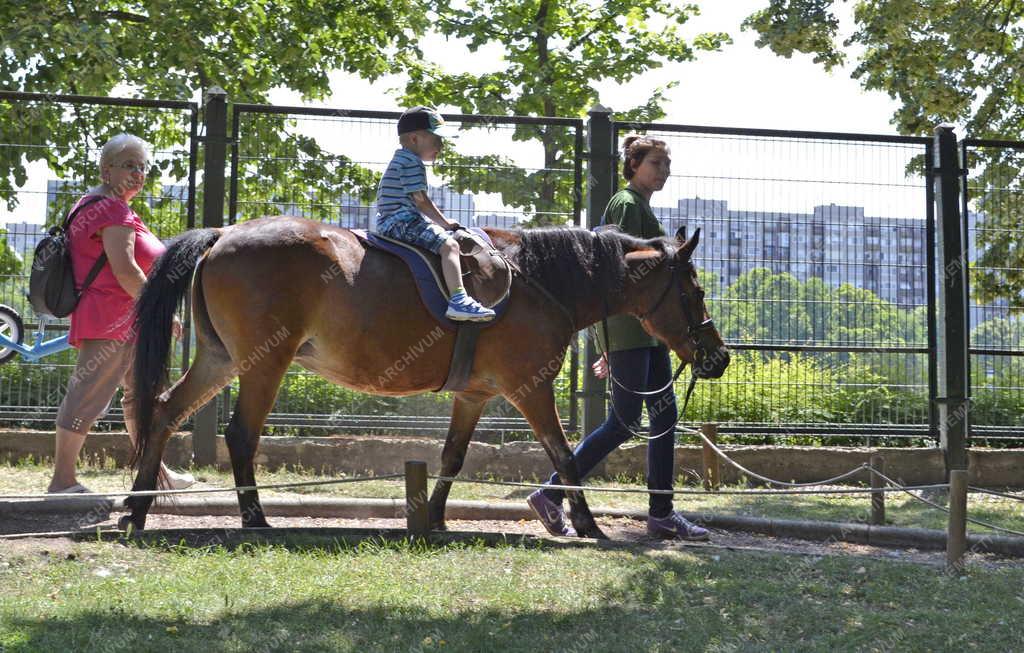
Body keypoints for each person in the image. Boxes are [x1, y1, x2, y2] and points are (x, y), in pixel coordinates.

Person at [527, 135, 710, 541]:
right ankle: (550, 493)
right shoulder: (626, 205)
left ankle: (661, 512)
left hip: (649, 333)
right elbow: (612, 273)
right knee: (624, 422)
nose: (663, 171)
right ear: (633, 164)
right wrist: (610, 345)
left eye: (666, 164)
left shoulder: (640, 206)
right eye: (655, 163)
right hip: (631, 331)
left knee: (663, 417)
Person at [47, 133, 194, 493]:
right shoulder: (112, 210)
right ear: (106, 169)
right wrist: (158, 311)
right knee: (88, 395)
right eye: (128, 165)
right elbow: (126, 269)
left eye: (143, 167)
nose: (138, 173)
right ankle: (62, 482)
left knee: (142, 396)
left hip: (124, 319)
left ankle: (155, 475)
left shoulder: (92, 203)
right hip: (112, 319)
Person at [376, 106, 495, 322]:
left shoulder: (401, 159)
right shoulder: (412, 162)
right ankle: (459, 301)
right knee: (449, 245)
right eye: (436, 139)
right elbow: (421, 200)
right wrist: (445, 223)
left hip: (390, 221)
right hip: (402, 222)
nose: (441, 145)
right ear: (414, 139)